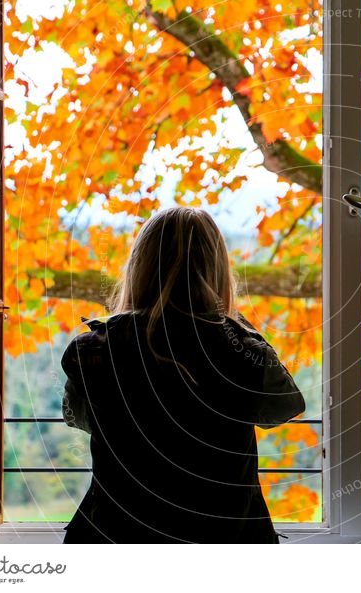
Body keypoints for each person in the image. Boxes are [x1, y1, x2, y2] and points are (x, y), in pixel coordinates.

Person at [59, 207, 305, 543]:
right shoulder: (240, 351)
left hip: (118, 533)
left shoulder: (95, 348)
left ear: (139, 267)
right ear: (217, 268)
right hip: (224, 537)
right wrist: (235, 327)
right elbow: (283, 408)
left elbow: (79, 419)